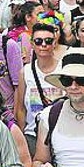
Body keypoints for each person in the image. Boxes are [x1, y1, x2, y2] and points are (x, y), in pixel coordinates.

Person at [15, 22, 66, 152]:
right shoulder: (25, 72)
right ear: (32, 44)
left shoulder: (64, 69)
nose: (43, 45)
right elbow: (20, 109)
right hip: (33, 134)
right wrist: (21, 137)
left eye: (48, 41)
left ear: (55, 43)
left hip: (61, 132)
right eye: (38, 41)